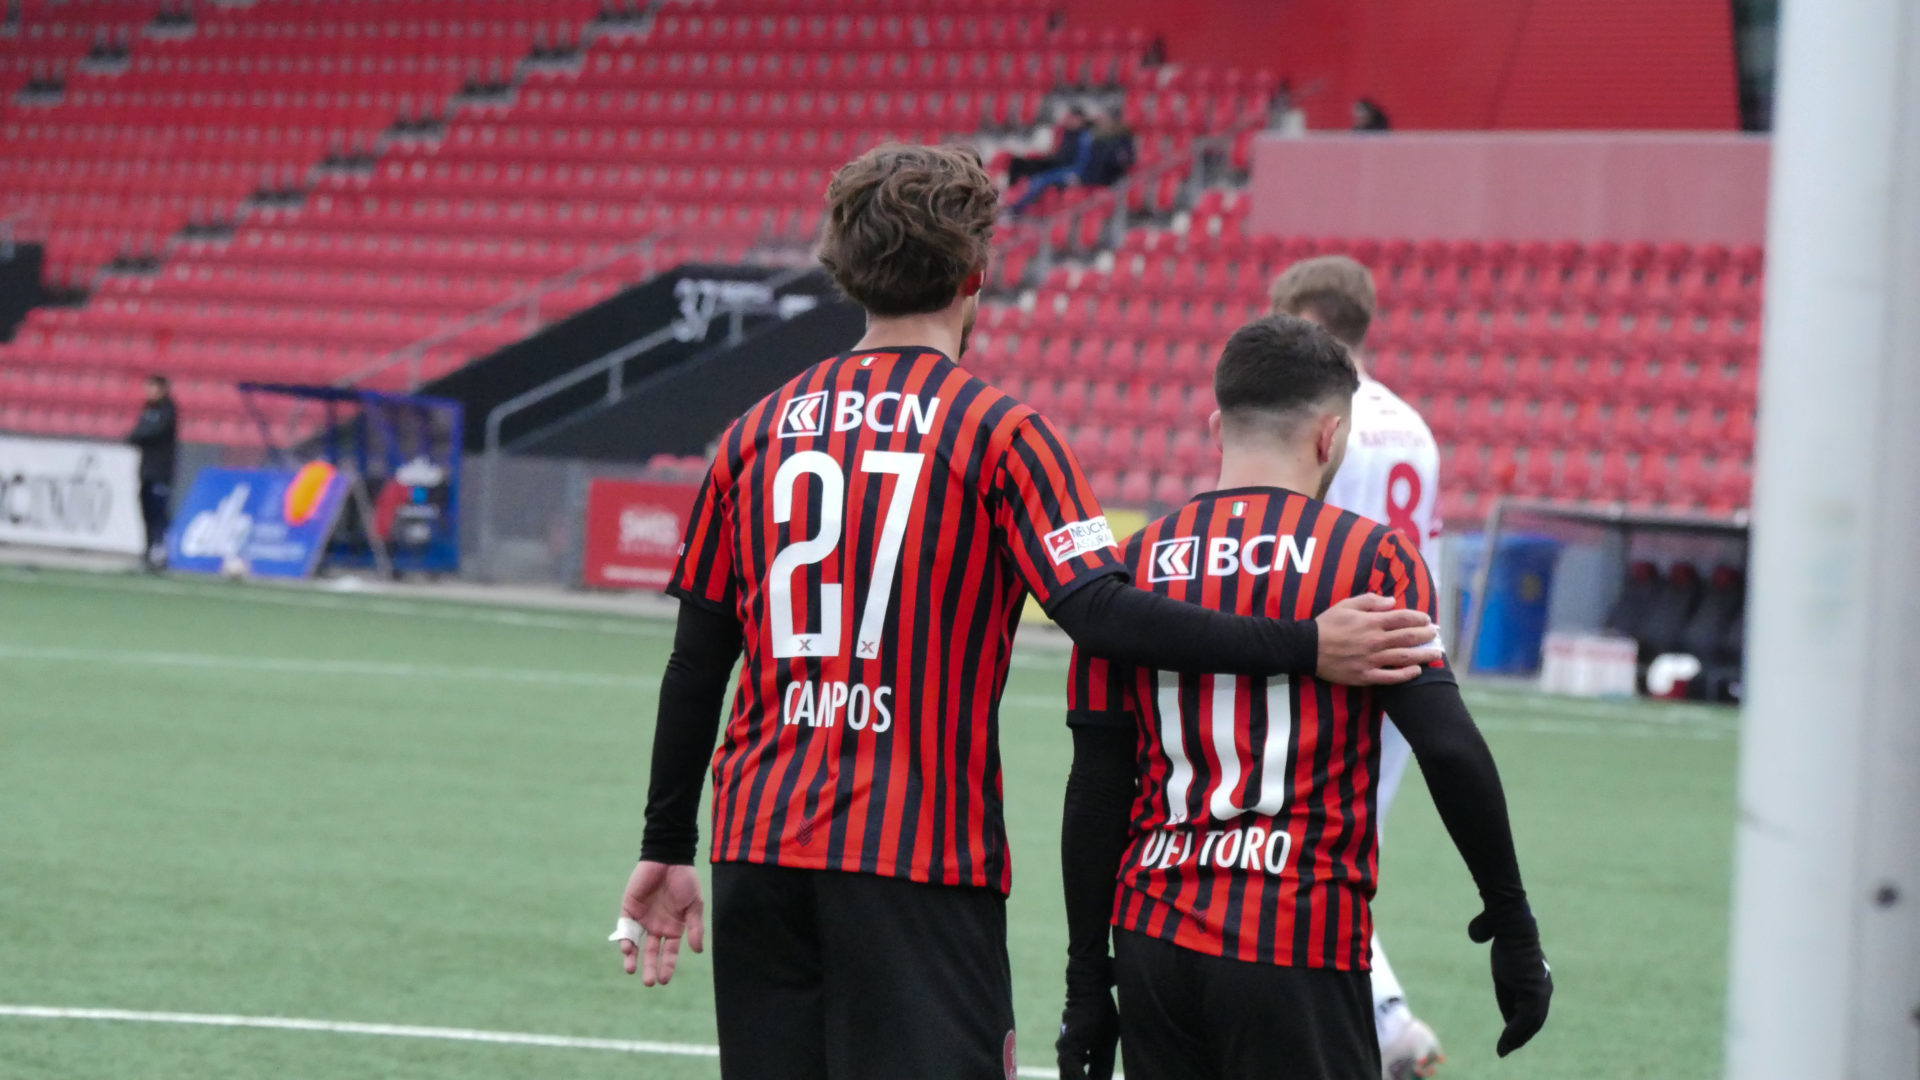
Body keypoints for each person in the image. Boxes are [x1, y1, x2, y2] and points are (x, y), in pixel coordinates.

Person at [609, 144, 1445, 1080]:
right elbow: (1106, 616)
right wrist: (1304, 642)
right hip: (919, 856)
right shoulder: (1000, 433)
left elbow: (697, 662)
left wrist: (666, 842)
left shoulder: (752, 433)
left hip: (757, 848)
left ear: (843, 270)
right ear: (976, 274)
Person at [1053, 316, 1551, 1080]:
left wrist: (1088, 979)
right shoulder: (1372, 558)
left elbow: (1095, 789)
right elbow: (1448, 747)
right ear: (1330, 436)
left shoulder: (1129, 569)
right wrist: (1511, 919)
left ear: (1217, 427)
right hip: (1295, 936)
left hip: (1155, 940)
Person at [1270, 254, 1447, 1076]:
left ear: (1307, 322)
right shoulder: (1413, 427)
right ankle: (1381, 1023)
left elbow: (1300, 544)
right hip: (1411, 656)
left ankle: (1382, 1024)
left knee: (1298, 849)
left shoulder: (1321, 422)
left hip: (1340, 654)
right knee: (1336, 848)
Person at [127, 373, 178, 570]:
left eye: (153, 388)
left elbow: (150, 433)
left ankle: (160, 553)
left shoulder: (168, 410)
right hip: (146, 470)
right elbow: (137, 433)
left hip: (161, 471)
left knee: (159, 514)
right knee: (147, 513)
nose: (149, 392)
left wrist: (137, 436)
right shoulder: (148, 408)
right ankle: (148, 552)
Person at [1008, 107, 1088, 186]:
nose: (1072, 121)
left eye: (1075, 119)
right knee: (1017, 163)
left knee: (1037, 178)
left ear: (1081, 120)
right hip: (1053, 161)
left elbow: (1080, 161)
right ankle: (1010, 189)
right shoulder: (1065, 132)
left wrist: (1074, 174)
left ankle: (1022, 191)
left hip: (1063, 167)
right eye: (1071, 118)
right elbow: (1054, 150)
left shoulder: (1083, 137)